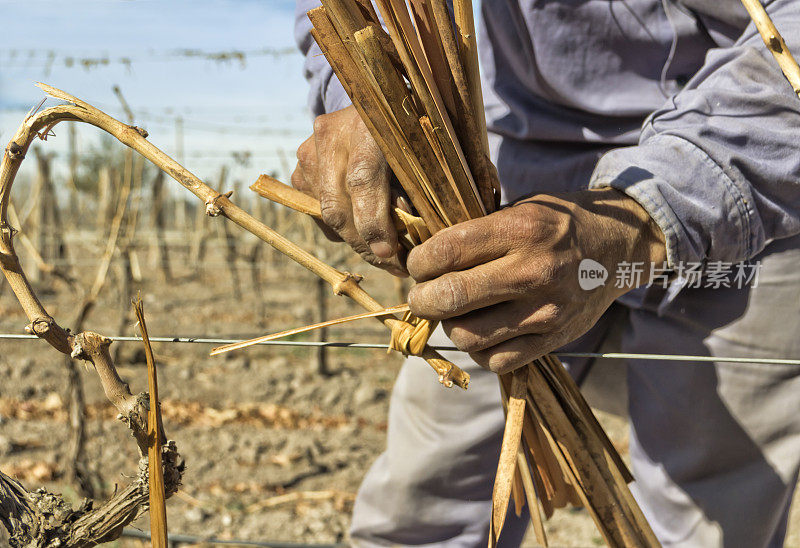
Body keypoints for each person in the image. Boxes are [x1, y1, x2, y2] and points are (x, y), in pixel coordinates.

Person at [293, 0, 800, 546]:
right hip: (502, 190)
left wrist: (645, 216)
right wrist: (370, 90)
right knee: (427, 497)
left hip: (747, 177)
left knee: (714, 513)